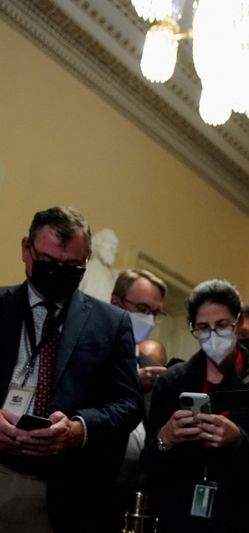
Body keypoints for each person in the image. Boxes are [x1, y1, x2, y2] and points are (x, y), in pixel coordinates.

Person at [0, 206, 141, 533]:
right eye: (49, 263)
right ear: (26, 249)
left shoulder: (112, 322)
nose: (58, 273)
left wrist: (79, 429)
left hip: (63, 491)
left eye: (72, 267)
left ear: (86, 262)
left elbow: (128, 404)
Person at [140, 279, 249, 533]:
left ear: (238, 324)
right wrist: (165, 438)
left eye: (221, 325)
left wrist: (238, 441)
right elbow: (148, 467)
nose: (213, 336)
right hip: (178, 517)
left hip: (237, 518)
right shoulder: (172, 382)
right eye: (203, 328)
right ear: (193, 329)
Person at [109, 269, 169, 524]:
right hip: (89, 489)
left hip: (133, 493)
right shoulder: (87, 350)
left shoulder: (147, 364)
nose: (150, 320)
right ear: (116, 303)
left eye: (156, 312)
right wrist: (131, 384)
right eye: (143, 308)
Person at [78, 227, 119, 301]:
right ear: (99, 245)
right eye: (111, 244)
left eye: (115, 245)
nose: (114, 249)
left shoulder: (110, 273)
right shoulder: (92, 270)